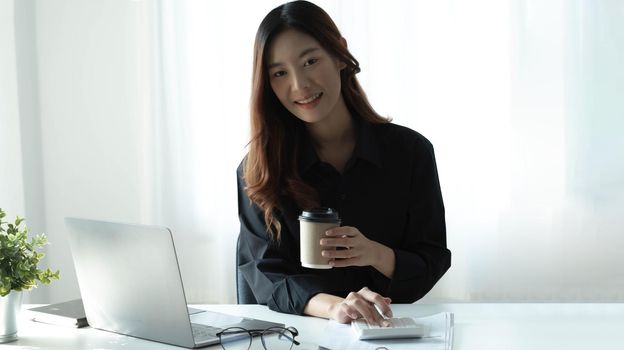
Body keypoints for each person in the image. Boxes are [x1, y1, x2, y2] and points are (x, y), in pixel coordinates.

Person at [237, 0, 450, 326]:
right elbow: (264, 276)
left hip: (391, 335)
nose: (299, 85)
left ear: (339, 55)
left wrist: (374, 253)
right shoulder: (259, 168)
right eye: (280, 73)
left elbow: (432, 260)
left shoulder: (411, 153)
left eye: (309, 61)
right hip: (296, 338)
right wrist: (336, 307)